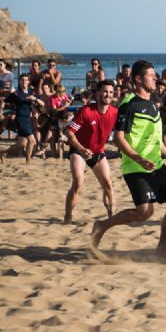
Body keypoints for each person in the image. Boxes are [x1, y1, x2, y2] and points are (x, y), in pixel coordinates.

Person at [91, 60, 166, 257]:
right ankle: (102, 225)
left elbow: (156, 140)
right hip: (136, 167)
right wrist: (139, 158)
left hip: (157, 166)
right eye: (151, 76)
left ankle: (161, 248)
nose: (155, 79)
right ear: (139, 79)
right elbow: (118, 138)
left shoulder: (152, 105)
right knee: (144, 213)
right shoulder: (129, 104)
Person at [64, 80, 118, 224]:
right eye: (105, 92)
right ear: (98, 93)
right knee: (78, 182)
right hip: (79, 149)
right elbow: (68, 131)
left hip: (98, 151)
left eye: (111, 92)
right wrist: (81, 149)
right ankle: (68, 217)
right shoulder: (86, 111)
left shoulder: (114, 112)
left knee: (108, 184)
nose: (108, 95)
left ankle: (111, 218)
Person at [0, 73, 43, 164]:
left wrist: (34, 99)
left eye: (26, 80)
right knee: (32, 141)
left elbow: (42, 104)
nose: (24, 81)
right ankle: (28, 161)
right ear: (19, 81)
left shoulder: (32, 92)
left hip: (28, 119)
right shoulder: (16, 93)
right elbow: (4, 100)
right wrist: (1, 112)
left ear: (28, 81)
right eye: (22, 80)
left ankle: (3, 152)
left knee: (21, 144)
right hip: (20, 119)